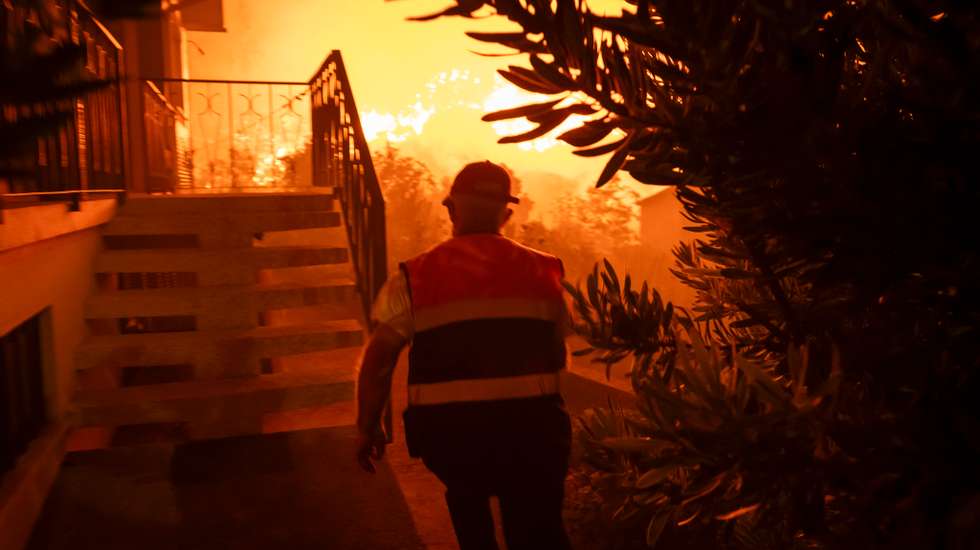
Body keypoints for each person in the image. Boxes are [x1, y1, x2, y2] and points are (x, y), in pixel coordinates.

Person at [355, 160, 573, 550]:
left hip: (453, 442)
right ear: (506, 214)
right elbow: (560, 353)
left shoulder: (413, 277)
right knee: (539, 533)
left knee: (469, 512)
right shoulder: (546, 270)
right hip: (535, 438)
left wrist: (368, 425)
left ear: (451, 208)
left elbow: (379, 360)